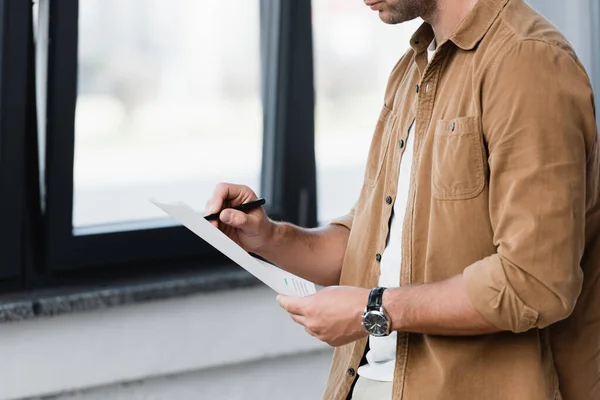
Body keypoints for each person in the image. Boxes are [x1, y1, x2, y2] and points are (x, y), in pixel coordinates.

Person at [205, 0, 600, 398]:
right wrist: (269, 238)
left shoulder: (527, 60)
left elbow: (535, 282)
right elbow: (373, 244)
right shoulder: (412, 70)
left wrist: (375, 310)